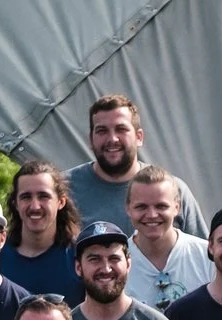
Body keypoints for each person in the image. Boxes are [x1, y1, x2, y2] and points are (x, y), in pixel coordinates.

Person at [66, 93, 208, 235]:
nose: (112, 139)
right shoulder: (64, 190)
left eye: (121, 129)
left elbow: (203, 254)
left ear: (139, 137)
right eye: (102, 131)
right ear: (91, 139)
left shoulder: (172, 190)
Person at [124, 165, 212, 311]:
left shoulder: (207, 257)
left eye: (161, 206)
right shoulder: (116, 263)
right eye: (141, 207)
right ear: (128, 208)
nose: (152, 215)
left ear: (177, 207)